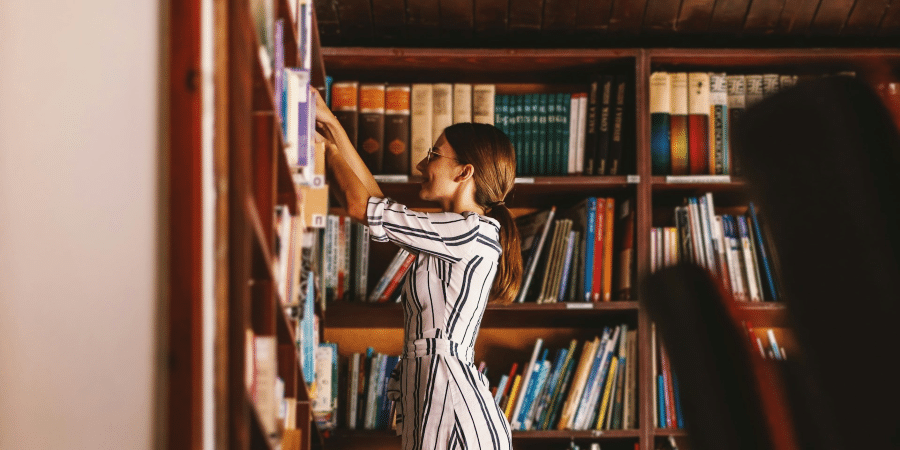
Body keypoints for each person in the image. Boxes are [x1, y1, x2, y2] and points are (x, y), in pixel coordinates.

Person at [313, 87, 521, 450]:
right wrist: (331, 126)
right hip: (436, 388)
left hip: (450, 398)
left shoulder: (469, 230)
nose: (422, 166)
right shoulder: (453, 231)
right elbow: (375, 202)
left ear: (464, 172)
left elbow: (362, 207)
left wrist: (329, 150)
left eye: (433, 155)